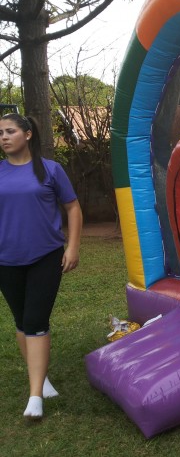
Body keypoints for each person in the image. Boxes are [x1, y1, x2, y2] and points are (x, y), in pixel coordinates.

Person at [0, 113, 82, 419]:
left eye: (10, 131)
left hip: (45, 257)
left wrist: (72, 246)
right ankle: (41, 378)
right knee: (21, 321)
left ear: (28, 134)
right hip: (6, 260)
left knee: (35, 319)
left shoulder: (51, 170)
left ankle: (35, 397)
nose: (4, 137)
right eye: (0, 133)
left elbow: (72, 207)